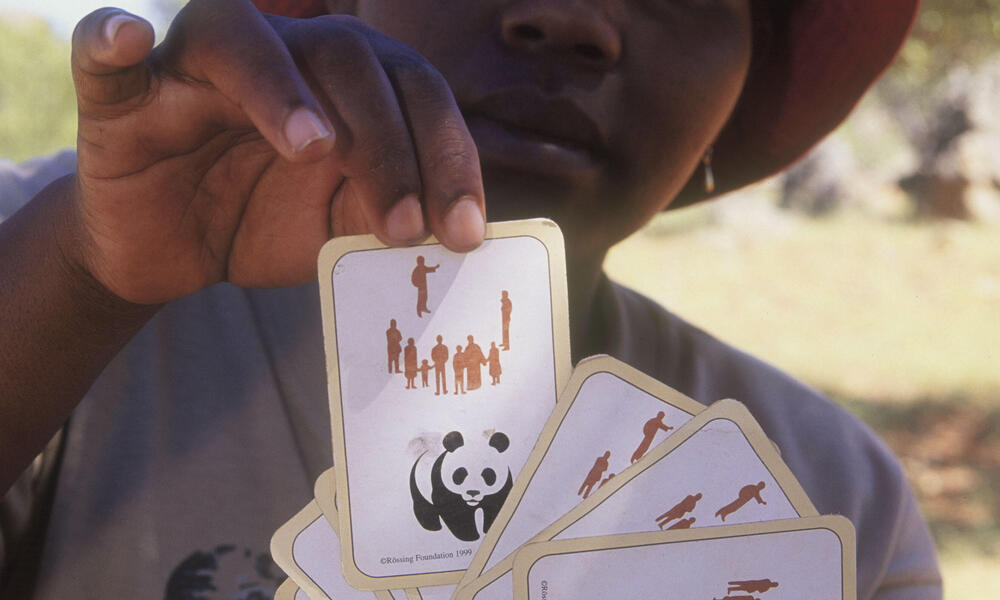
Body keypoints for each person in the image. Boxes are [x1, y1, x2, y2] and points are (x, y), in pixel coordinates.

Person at [0, 1, 940, 598]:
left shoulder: (833, 498)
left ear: (739, 94)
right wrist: (85, 272)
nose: (573, 18)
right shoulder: (56, 248)